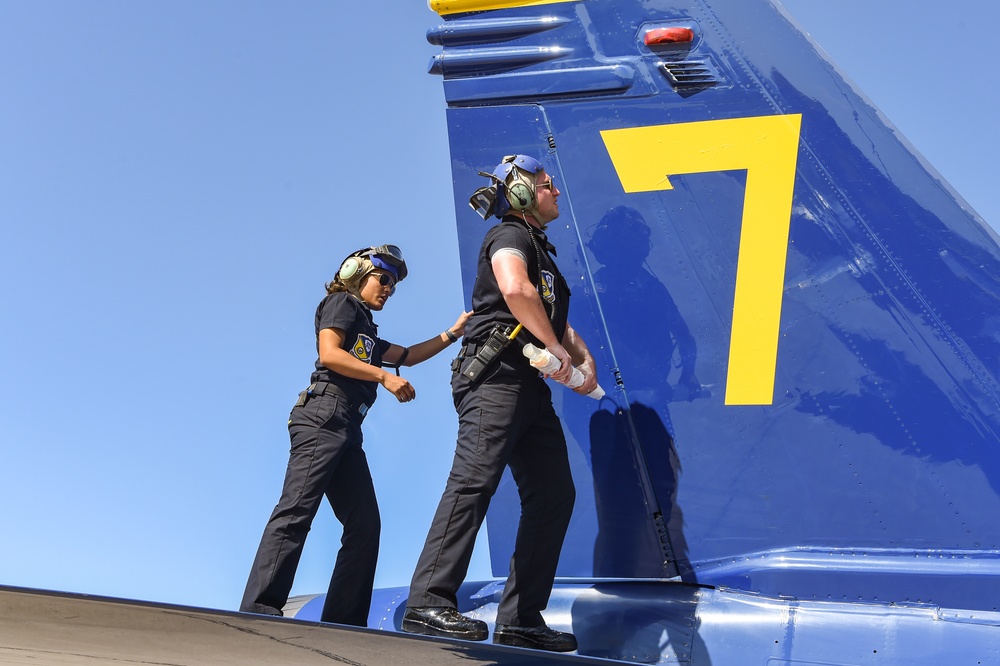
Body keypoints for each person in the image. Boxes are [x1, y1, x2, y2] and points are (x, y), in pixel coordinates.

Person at [402, 155, 598, 652]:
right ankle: (427, 602)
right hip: (495, 378)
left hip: (529, 385)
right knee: (473, 481)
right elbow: (514, 288)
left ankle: (521, 619)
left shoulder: (541, 251)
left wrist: (581, 356)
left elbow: (549, 310)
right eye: (547, 184)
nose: (556, 191)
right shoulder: (508, 237)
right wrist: (557, 353)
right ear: (521, 195)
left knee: (555, 495)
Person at [241, 244, 470, 626]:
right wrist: (383, 375)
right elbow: (330, 354)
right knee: (296, 510)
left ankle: (343, 622)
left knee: (365, 524)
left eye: (393, 286)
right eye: (383, 279)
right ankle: (259, 611)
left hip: (347, 428)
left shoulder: (366, 330)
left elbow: (409, 355)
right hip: (322, 418)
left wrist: (453, 333)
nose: (388, 289)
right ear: (356, 273)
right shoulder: (341, 304)